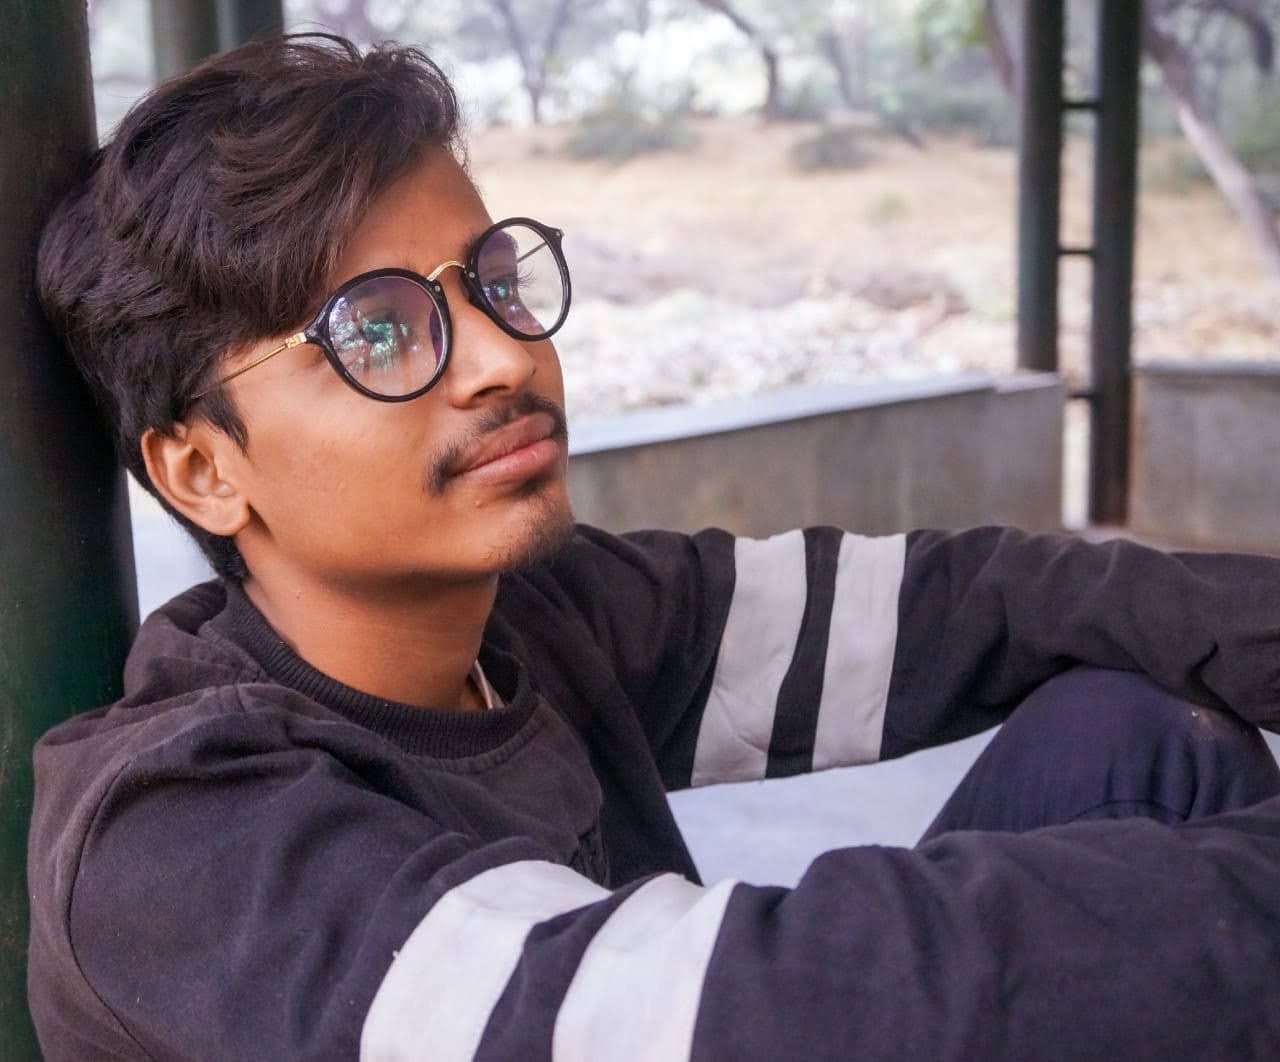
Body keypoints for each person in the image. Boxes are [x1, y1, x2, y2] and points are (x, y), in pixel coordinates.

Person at [25, 33, 1280, 1062]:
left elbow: (973, 605)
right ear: (204, 469)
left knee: (1134, 735)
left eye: (492, 281)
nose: (507, 356)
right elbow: (742, 1014)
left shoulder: (534, 616)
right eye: (379, 332)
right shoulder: (181, 835)